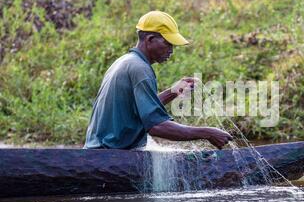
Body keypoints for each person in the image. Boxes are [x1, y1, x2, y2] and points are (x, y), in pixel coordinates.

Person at [84, 11, 232, 150]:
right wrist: (207, 133)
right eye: (168, 44)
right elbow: (156, 126)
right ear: (150, 39)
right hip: (111, 156)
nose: (171, 50)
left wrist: (174, 92)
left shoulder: (125, 61)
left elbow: (139, 110)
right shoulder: (140, 69)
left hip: (98, 151)